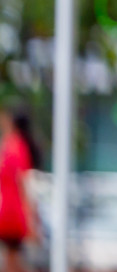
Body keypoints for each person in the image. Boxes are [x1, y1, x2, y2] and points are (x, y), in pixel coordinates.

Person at [0, 108, 40, 272]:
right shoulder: (16, 144)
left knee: (12, 261)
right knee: (12, 259)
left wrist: (32, 218)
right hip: (13, 213)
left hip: (11, 214)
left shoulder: (13, 146)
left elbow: (24, 183)